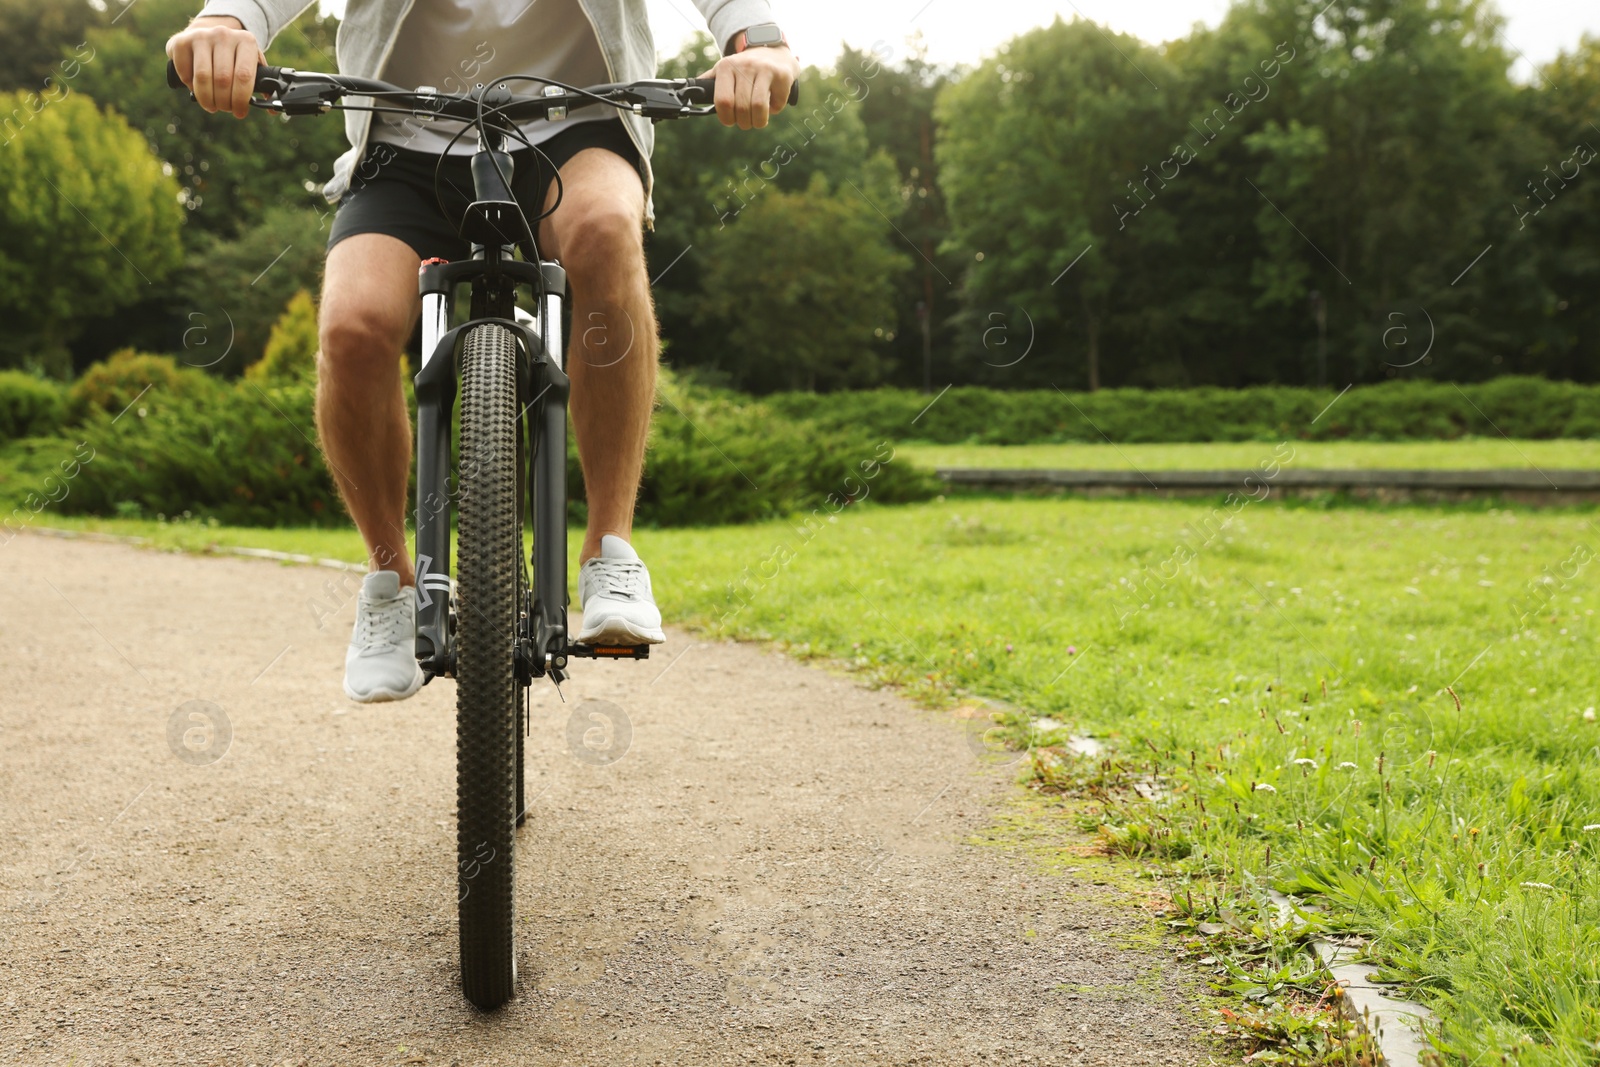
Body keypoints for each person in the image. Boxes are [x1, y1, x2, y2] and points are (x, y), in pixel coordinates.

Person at [166, 1, 799, 702]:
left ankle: (609, 550)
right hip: (403, 139)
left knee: (604, 232)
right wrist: (227, 23)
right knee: (353, 328)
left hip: (577, 123)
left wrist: (755, 41)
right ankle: (391, 583)